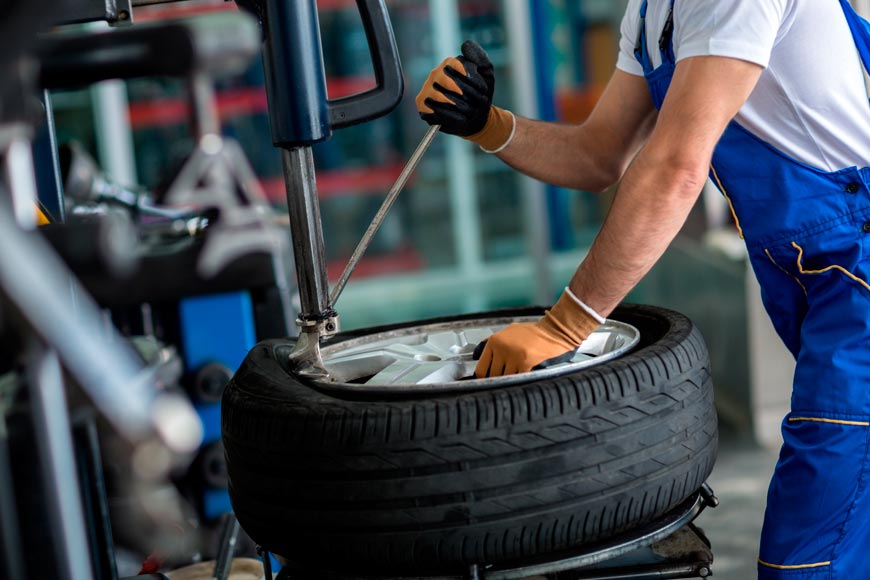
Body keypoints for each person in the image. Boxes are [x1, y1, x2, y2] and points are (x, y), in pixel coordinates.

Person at [416, 0, 870, 578]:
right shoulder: (652, 13)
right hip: (819, 275)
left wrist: (566, 325)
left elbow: (676, 166)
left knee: (810, 555)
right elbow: (598, 155)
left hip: (856, 270)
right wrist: (488, 124)